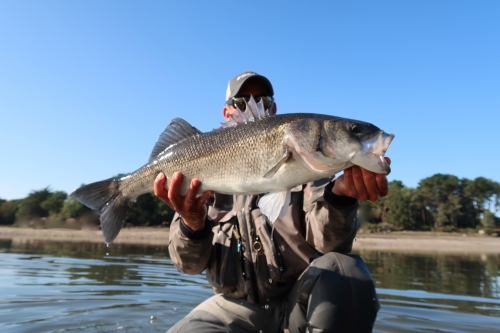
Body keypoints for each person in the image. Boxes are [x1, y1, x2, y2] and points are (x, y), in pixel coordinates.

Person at [154, 71, 390, 333]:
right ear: (226, 112)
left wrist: (340, 198)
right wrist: (192, 222)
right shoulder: (198, 187)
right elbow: (187, 266)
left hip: (298, 302)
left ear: (274, 108)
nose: (253, 105)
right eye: (241, 101)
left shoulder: (314, 173)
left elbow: (331, 245)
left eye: (263, 100)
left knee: (345, 270)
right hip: (231, 306)